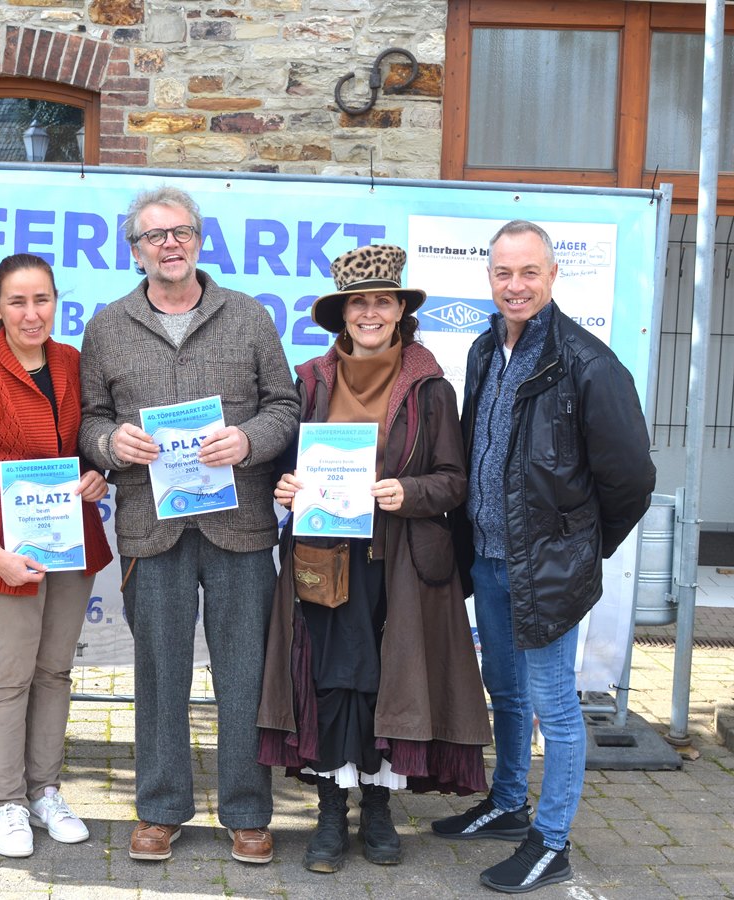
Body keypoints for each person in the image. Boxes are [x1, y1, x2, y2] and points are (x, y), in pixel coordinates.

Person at [432, 220, 655, 893]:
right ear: (490, 279)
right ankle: (506, 804)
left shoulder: (587, 364)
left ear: (554, 275)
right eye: (504, 273)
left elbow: (631, 481)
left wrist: (580, 551)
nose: (515, 285)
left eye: (528, 272)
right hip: (493, 561)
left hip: (547, 570)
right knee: (504, 689)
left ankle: (551, 841)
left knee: (554, 705)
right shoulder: (482, 350)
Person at [78, 186, 300, 865]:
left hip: (240, 528)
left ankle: (247, 811)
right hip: (154, 528)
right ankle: (161, 808)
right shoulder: (108, 326)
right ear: (135, 250)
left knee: (243, 675)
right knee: (160, 676)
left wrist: (250, 441)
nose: (169, 244)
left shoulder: (249, 317)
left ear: (200, 240)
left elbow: (286, 406)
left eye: (181, 232)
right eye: (154, 236)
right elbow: (88, 420)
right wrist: (113, 444)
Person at [261, 243, 492, 874]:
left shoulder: (430, 387)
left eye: (382, 301)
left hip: (403, 564)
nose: (370, 313)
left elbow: (454, 481)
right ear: (342, 313)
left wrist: (408, 491)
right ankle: (332, 813)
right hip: (325, 556)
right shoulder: (308, 381)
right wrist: (285, 487)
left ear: (399, 309)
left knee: (390, 684)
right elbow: (284, 468)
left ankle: (381, 811)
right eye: (358, 303)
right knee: (335, 681)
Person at [0, 254, 114, 858]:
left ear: (55, 301)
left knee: (54, 674)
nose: (31, 313)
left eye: (41, 299)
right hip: (2, 556)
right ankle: (8, 802)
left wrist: (99, 473)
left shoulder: (73, 362)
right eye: (17, 301)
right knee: (10, 678)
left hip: (71, 548)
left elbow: (92, 440)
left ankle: (45, 791)